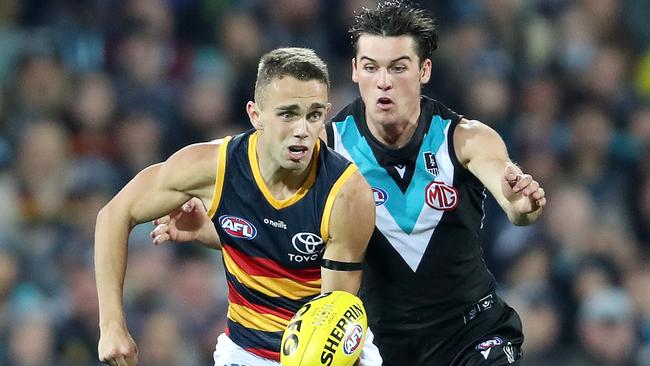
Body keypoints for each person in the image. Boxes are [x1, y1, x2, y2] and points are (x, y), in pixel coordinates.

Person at [154, 1, 547, 364]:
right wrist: (209, 229)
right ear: (355, 70)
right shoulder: (326, 146)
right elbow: (279, 229)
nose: (384, 82)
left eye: (398, 67)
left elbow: (511, 197)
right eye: (371, 67)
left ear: (424, 70)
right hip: (372, 345)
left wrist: (521, 203)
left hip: (471, 335)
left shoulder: (464, 138)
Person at [94, 47, 382, 366]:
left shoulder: (347, 196)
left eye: (313, 115)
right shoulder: (212, 168)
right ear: (255, 115)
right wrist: (111, 326)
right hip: (247, 351)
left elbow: (333, 314)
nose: (302, 130)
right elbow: (114, 214)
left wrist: (213, 232)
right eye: (287, 114)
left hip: (329, 352)